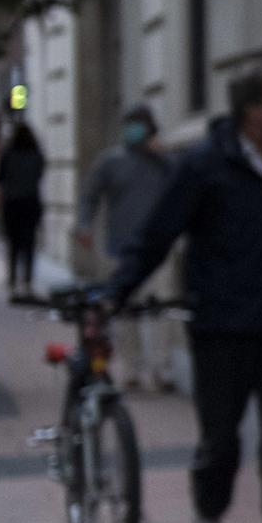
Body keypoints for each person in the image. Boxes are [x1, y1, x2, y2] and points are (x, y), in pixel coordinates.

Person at [108, 63, 262, 523]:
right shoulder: (205, 164)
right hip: (221, 328)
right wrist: (119, 289)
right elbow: (159, 233)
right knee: (220, 439)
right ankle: (208, 515)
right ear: (251, 112)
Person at [76, 104, 175, 389]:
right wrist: (84, 225)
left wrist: (162, 155)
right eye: (130, 124)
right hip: (120, 250)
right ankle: (132, 368)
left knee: (160, 310)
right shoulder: (110, 161)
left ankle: (162, 368)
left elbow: (185, 182)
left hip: (159, 251)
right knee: (123, 312)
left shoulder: (163, 162)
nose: (133, 129)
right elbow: (90, 195)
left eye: (139, 124)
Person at [0, 120, 46, 298]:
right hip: (31, 202)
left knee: (13, 242)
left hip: (12, 203)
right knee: (29, 241)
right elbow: (40, 174)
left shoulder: (8, 154)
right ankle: (28, 278)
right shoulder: (36, 154)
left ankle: (12, 277)